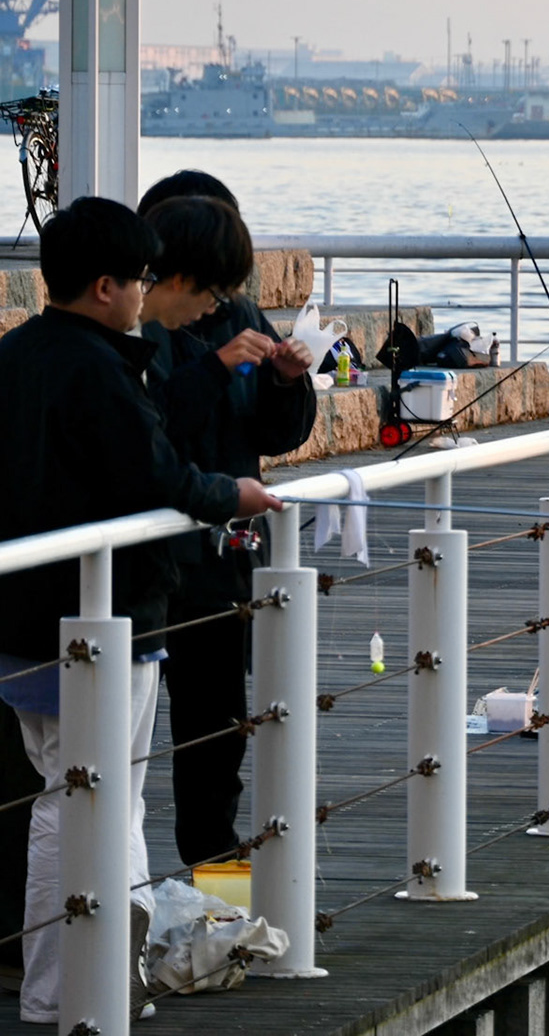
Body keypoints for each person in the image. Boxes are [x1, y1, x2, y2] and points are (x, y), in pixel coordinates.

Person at [0, 197, 279, 1022]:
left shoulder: (18, 355)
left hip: (23, 618)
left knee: (67, 790)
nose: (147, 294)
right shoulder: (100, 365)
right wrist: (232, 493)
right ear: (104, 286)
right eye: (141, 279)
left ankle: (75, 983)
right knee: (95, 800)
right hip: (101, 618)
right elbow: (154, 470)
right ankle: (80, 990)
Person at [136, 178, 317, 869]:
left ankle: (219, 901)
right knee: (111, 749)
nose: (216, 302)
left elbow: (277, 435)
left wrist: (286, 379)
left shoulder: (240, 311)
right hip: (152, 562)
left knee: (218, 743)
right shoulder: (142, 329)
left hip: (222, 564)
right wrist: (214, 368)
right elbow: (149, 435)